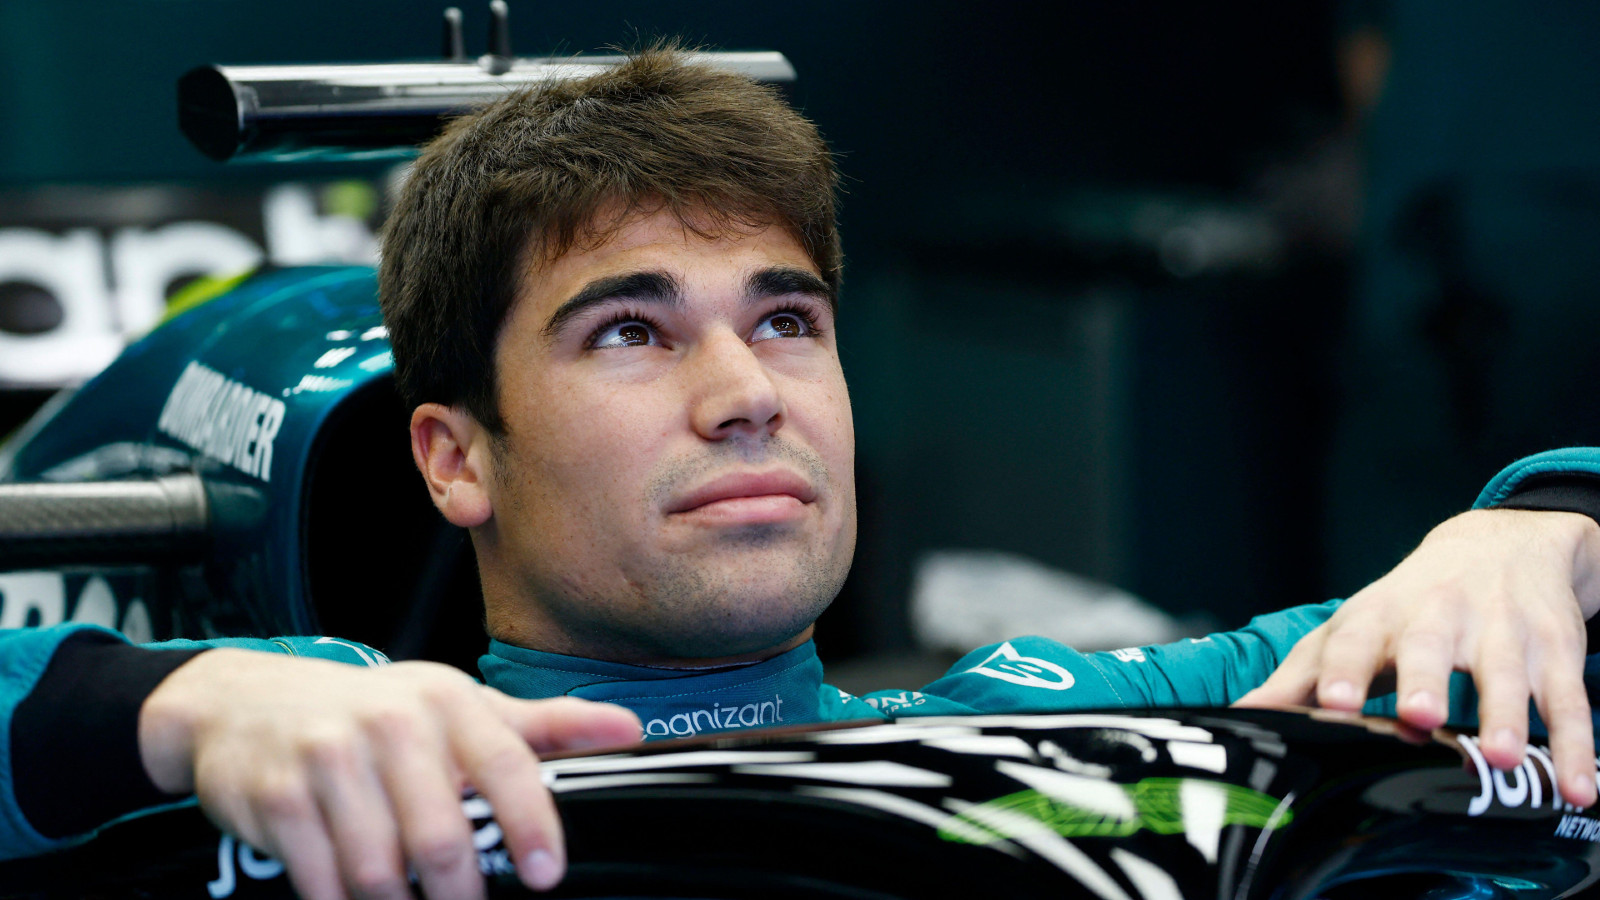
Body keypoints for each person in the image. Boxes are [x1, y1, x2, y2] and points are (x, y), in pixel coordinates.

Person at [5, 46, 1600, 900]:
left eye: (785, 320)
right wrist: (161, 710)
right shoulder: (347, 761)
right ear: (452, 456)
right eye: (629, 333)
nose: (743, 395)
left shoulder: (1092, 709)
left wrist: (1535, 529)